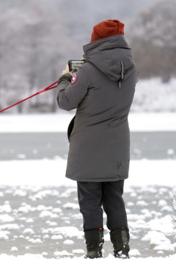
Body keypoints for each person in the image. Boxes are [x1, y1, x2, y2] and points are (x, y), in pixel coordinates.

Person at [56, 19, 136, 259]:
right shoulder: (131, 68)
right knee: (115, 198)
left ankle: (94, 251)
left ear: (97, 40)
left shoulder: (88, 70)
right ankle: (122, 250)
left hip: (88, 147)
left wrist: (65, 79)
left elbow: (65, 102)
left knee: (90, 200)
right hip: (118, 146)